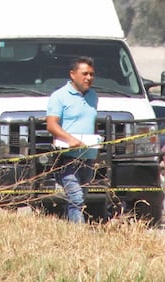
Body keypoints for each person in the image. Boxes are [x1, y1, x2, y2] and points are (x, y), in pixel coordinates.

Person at [46, 57, 99, 223]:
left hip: (88, 157)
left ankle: (70, 229)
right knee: (76, 198)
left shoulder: (93, 96)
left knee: (80, 198)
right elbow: (51, 125)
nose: (89, 78)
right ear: (72, 74)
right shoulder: (59, 97)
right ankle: (79, 234)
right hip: (67, 158)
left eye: (91, 74)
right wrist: (70, 139)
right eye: (84, 74)